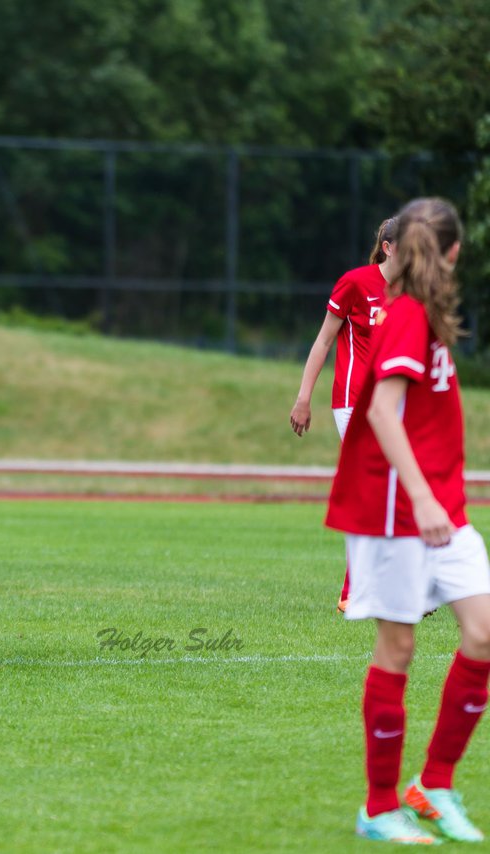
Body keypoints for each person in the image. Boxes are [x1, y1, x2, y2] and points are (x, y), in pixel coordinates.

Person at [325, 198, 490, 845]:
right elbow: (383, 414)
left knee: (482, 634)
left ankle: (434, 786)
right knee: (398, 648)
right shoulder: (405, 319)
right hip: (395, 512)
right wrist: (421, 497)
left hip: (441, 510)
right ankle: (379, 805)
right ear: (451, 253)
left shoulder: (429, 317)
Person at [291, 217, 399, 611]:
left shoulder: (410, 292)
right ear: (388, 246)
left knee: (388, 490)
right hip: (353, 402)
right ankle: (360, 589)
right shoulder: (355, 283)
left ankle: (374, 587)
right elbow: (322, 340)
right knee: (382, 486)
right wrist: (304, 397)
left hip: (388, 405)